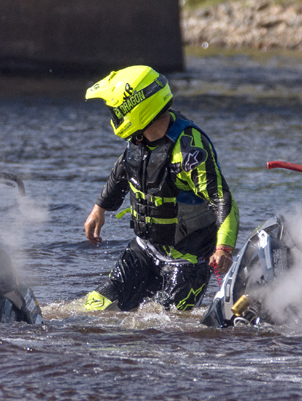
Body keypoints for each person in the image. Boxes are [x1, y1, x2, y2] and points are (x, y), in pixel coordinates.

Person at [83, 65, 238, 312]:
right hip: (145, 249)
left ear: (134, 110)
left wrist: (223, 249)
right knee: (95, 307)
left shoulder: (189, 151)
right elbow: (123, 170)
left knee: (161, 324)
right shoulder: (139, 138)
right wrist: (99, 208)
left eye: (115, 111)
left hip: (187, 260)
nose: (113, 117)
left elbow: (222, 200)